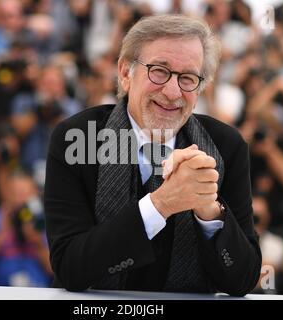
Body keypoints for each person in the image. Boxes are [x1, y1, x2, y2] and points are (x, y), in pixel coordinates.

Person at [44, 14, 261, 296]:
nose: (172, 92)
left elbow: (242, 281)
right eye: (159, 71)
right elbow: (70, 267)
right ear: (125, 73)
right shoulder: (77, 138)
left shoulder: (226, 146)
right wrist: (161, 204)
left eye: (187, 78)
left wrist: (209, 211)